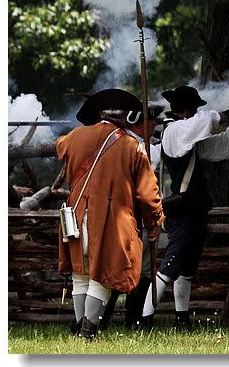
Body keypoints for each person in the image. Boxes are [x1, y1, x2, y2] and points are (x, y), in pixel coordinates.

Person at [139, 85, 229, 329]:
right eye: (194, 109)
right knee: (169, 266)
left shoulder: (186, 136)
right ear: (187, 110)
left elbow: (215, 147)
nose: (197, 113)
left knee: (186, 268)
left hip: (194, 208)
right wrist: (224, 116)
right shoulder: (175, 130)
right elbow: (204, 122)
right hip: (183, 209)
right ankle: (145, 320)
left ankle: (182, 319)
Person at [57, 89, 164, 340]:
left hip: (75, 216)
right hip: (109, 222)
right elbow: (148, 194)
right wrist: (155, 220)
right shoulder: (132, 147)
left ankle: (80, 328)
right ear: (126, 118)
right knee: (102, 276)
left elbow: (60, 147)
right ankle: (87, 330)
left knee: (80, 275)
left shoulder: (75, 136)